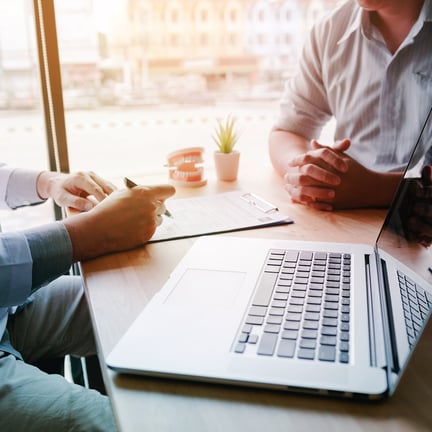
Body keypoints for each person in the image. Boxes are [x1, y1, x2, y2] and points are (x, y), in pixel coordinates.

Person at [0, 164, 175, 431]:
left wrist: (48, 182)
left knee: (149, 306)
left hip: (7, 308)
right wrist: (91, 232)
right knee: (120, 423)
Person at [269, 0, 432, 211]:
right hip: (344, 219)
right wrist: (309, 172)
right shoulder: (330, 30)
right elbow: (288, 131)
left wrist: (375, 189)